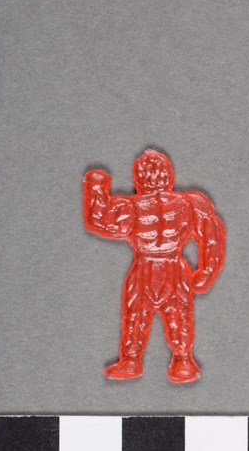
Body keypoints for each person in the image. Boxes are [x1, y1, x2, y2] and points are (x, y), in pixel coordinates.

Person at [83, 149, 226, 382]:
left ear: (139, 178)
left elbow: (99, 219)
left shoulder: (131, 207)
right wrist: (206, 270)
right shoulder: (189, 204)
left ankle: (134, 360)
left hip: (146, 267)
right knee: (178, 314)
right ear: (168, 175)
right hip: (173, 267)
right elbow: (212, 237)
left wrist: (96, 185)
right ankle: (182, 361)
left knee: (136, 315)